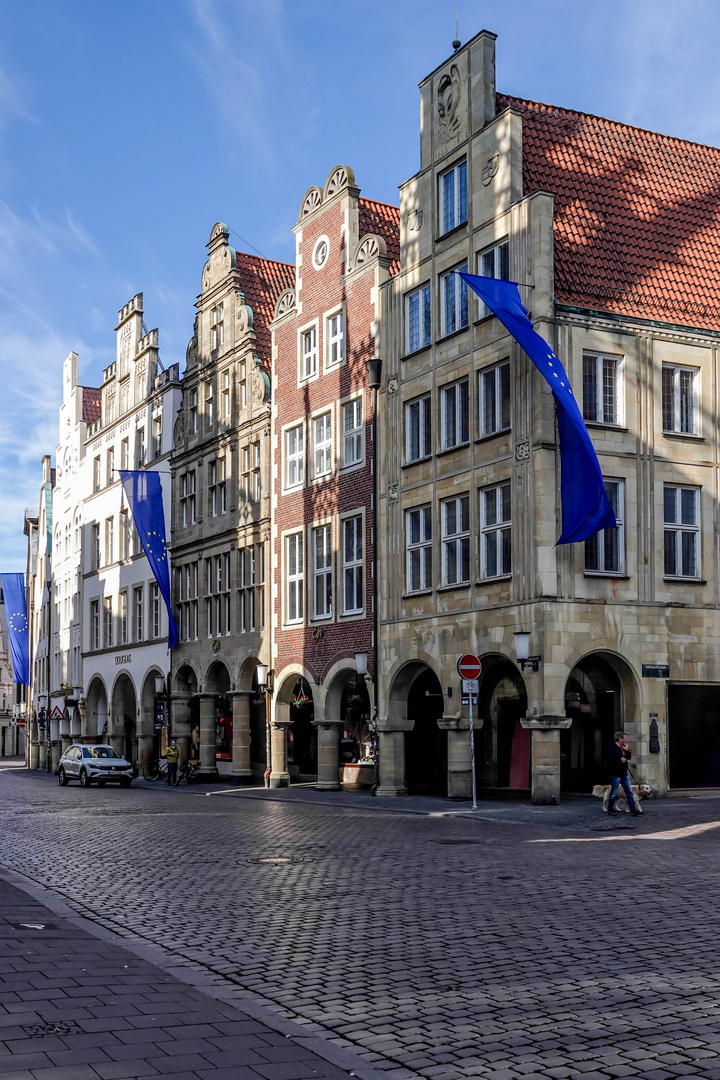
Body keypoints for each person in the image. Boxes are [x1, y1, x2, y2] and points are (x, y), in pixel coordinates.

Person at [604, 731, 640, 815]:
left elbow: (628, 757)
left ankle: (633, 809)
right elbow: (608, 761)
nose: (625, 739)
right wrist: (619, 760)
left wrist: (627, 751)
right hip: (616, 774)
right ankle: (610, 809)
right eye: (624, 738)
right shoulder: (613, 748)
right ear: (619, 739)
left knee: (629, 791)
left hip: (624, 773)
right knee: (613, 792)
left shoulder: (623, 747)